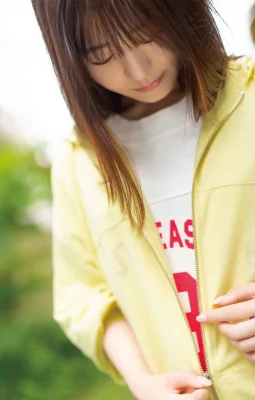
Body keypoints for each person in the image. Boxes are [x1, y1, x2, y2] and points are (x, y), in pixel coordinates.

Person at [31, 1, 255, 399]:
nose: (138, 70)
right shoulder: (79, 159)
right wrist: (144, 382)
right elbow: (82, 293)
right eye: (101, 54)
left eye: (143, 33)